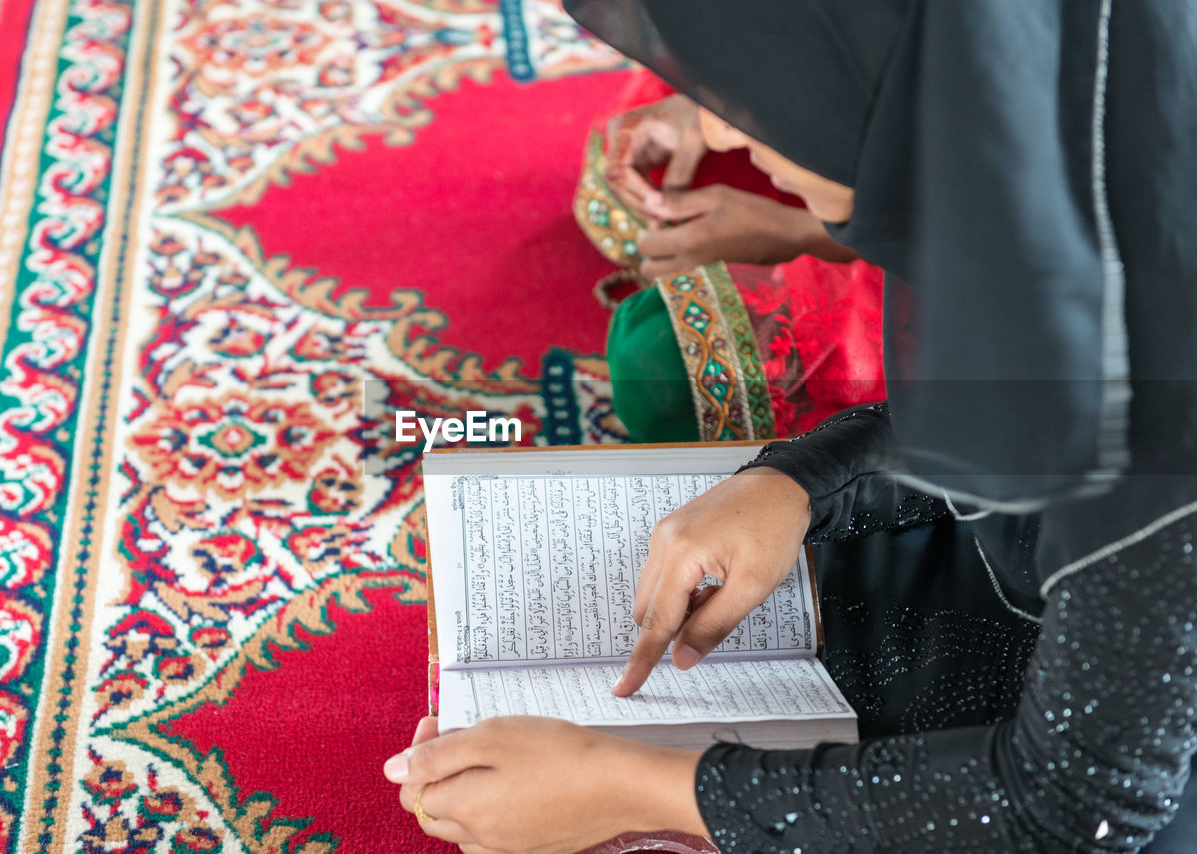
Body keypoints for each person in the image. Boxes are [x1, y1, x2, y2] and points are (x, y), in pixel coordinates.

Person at [385, 2, 1197, 852]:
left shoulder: (1156, 381)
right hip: (1071, 618)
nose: (738, 143)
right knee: (824, 591)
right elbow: (989, 433)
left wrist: (636, 788)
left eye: (768, 101)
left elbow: (1080, 807)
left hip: (1132, 774)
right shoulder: (1064, 179)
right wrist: (795, 484)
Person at [575, 73, 885, 442]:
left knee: (677, 370)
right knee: (619, 191)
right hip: (871, 121)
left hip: (945, 292)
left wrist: (797, 236)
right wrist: (704, 104)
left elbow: (954, 273)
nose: (717, 135)